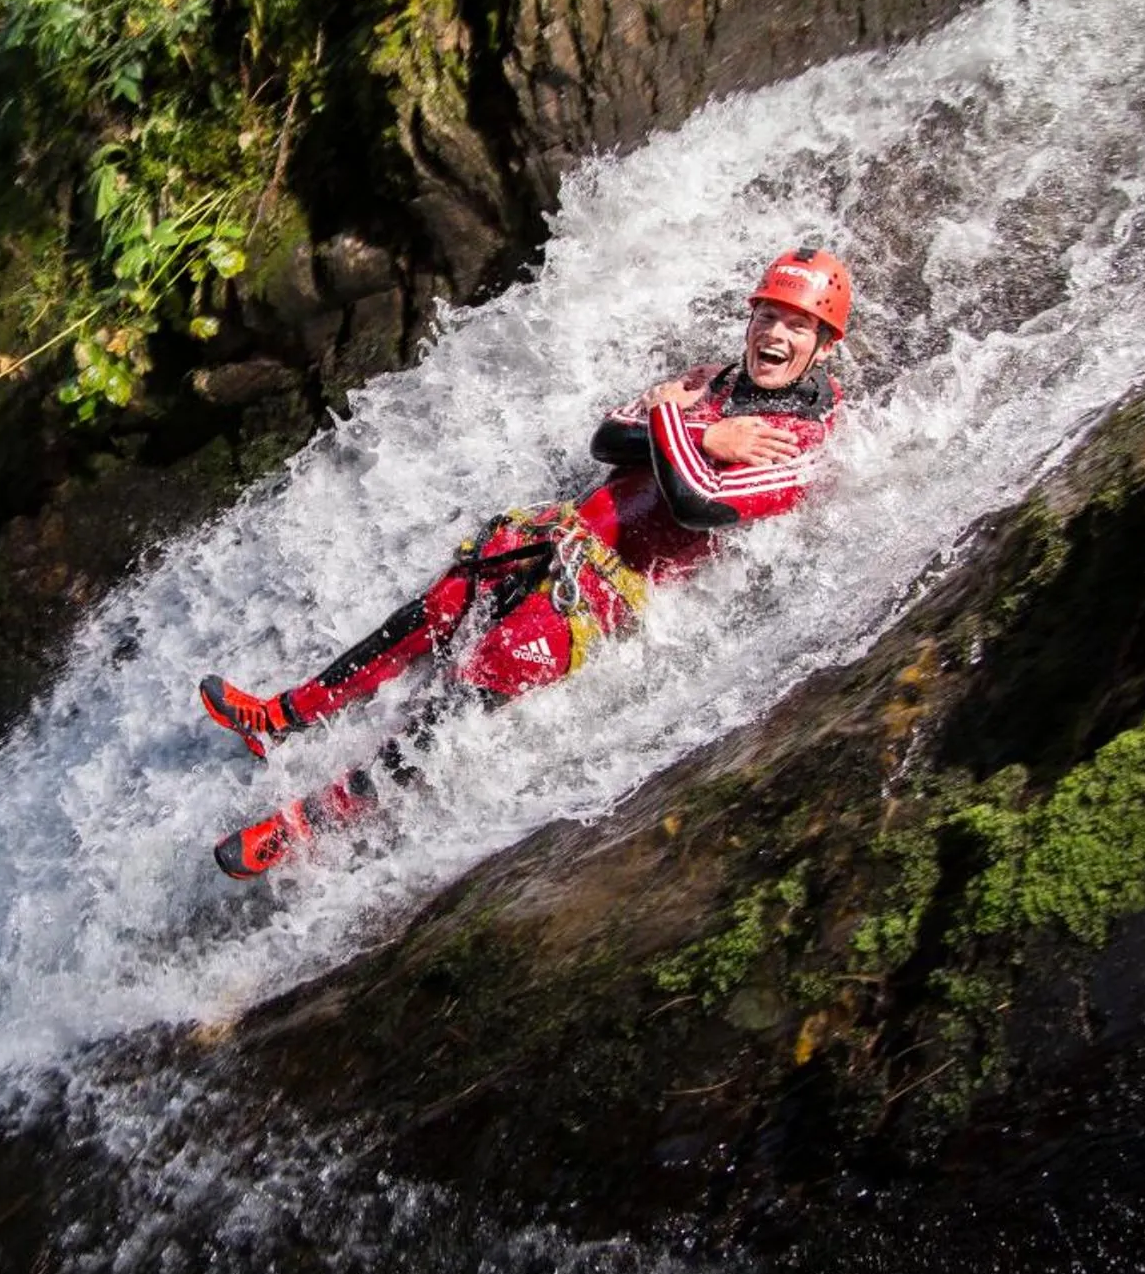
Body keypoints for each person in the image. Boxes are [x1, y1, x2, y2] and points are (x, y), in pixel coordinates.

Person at [199, 247, 853, 877]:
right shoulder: (712, 380)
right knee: (427, 615)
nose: (774, 332)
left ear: (823, 345)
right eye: (767, 315)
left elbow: (697, 502)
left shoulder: (799, 442)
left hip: (595, 598)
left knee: (457, 702)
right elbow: (608, 437)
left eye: (796, 325)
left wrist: (679, 427)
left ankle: (301, 828)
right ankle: (280, 718)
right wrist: (685, 427)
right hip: (553, 538)